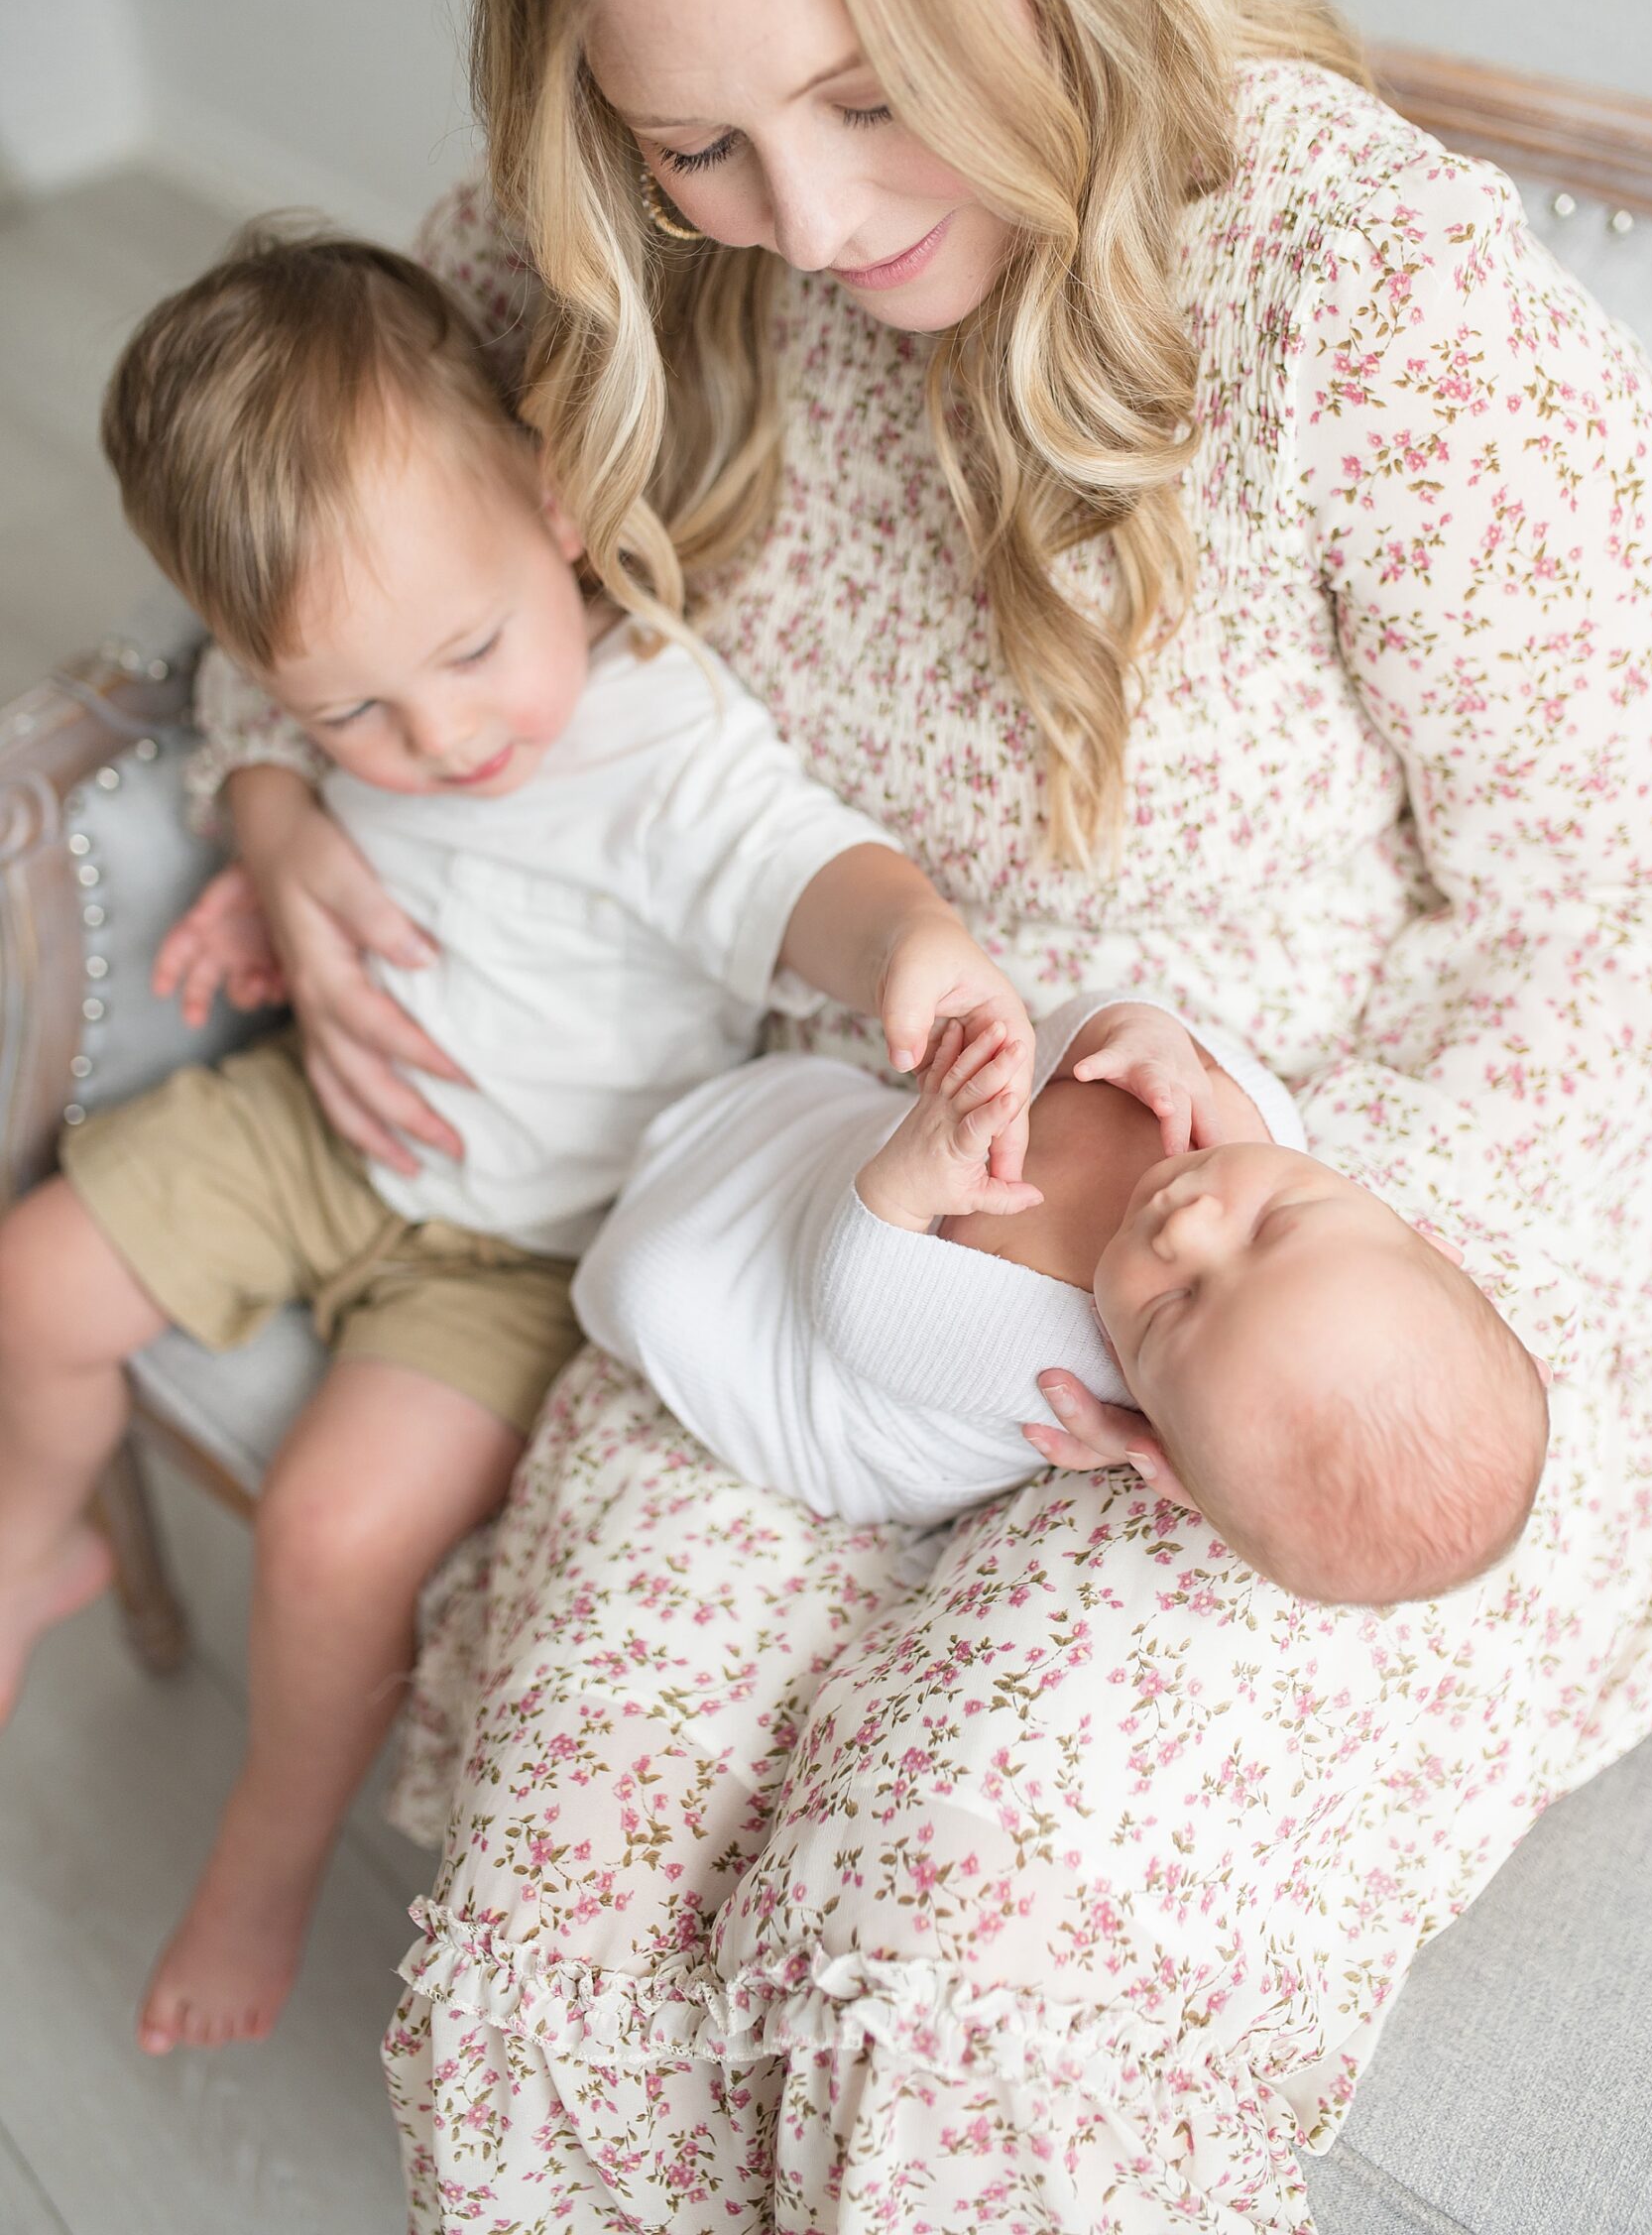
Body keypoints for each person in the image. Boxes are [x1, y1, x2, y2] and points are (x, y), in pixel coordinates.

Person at [188, 0, 1652, 2221]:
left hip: (1337, 1197)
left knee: (962, 1887)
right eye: (697, 138)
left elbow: (1617, 928)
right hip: (796, 1176)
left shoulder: (1368, 302)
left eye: (867, 89)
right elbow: (320, 549)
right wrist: (265, 779)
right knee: (593, 1833)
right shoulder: (614, 260)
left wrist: (1256, 1244)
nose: (802, 212)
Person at [0, 224, 1036, 2059]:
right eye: (354, 713)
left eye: (470, 651)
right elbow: (268, 719)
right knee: (32, 1277)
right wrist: (274, 819)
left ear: (555, 504)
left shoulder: (653, 740)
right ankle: (33, 1538)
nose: (441, 732)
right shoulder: (327, 701)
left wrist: (911, 947)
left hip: (521, 1255)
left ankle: (267, 1848)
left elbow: (803, 868)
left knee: (330, 1537)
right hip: (319, 1129)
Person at [573, 997, 1549, 1602]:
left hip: (809, 1365)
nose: (1186, 1228)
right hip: (803, 1144)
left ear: (1156, 1440)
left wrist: (913, 1180)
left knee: (653, 1285)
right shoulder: (1250, 1123)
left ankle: (590, 1245)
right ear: (1403, 1222)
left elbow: (854, 1308)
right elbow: (1074, 1037)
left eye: (1173, 1307)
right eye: (1273, 1226)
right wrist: (1137, 1032)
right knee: (790, 1111)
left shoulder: (1056, 1356)